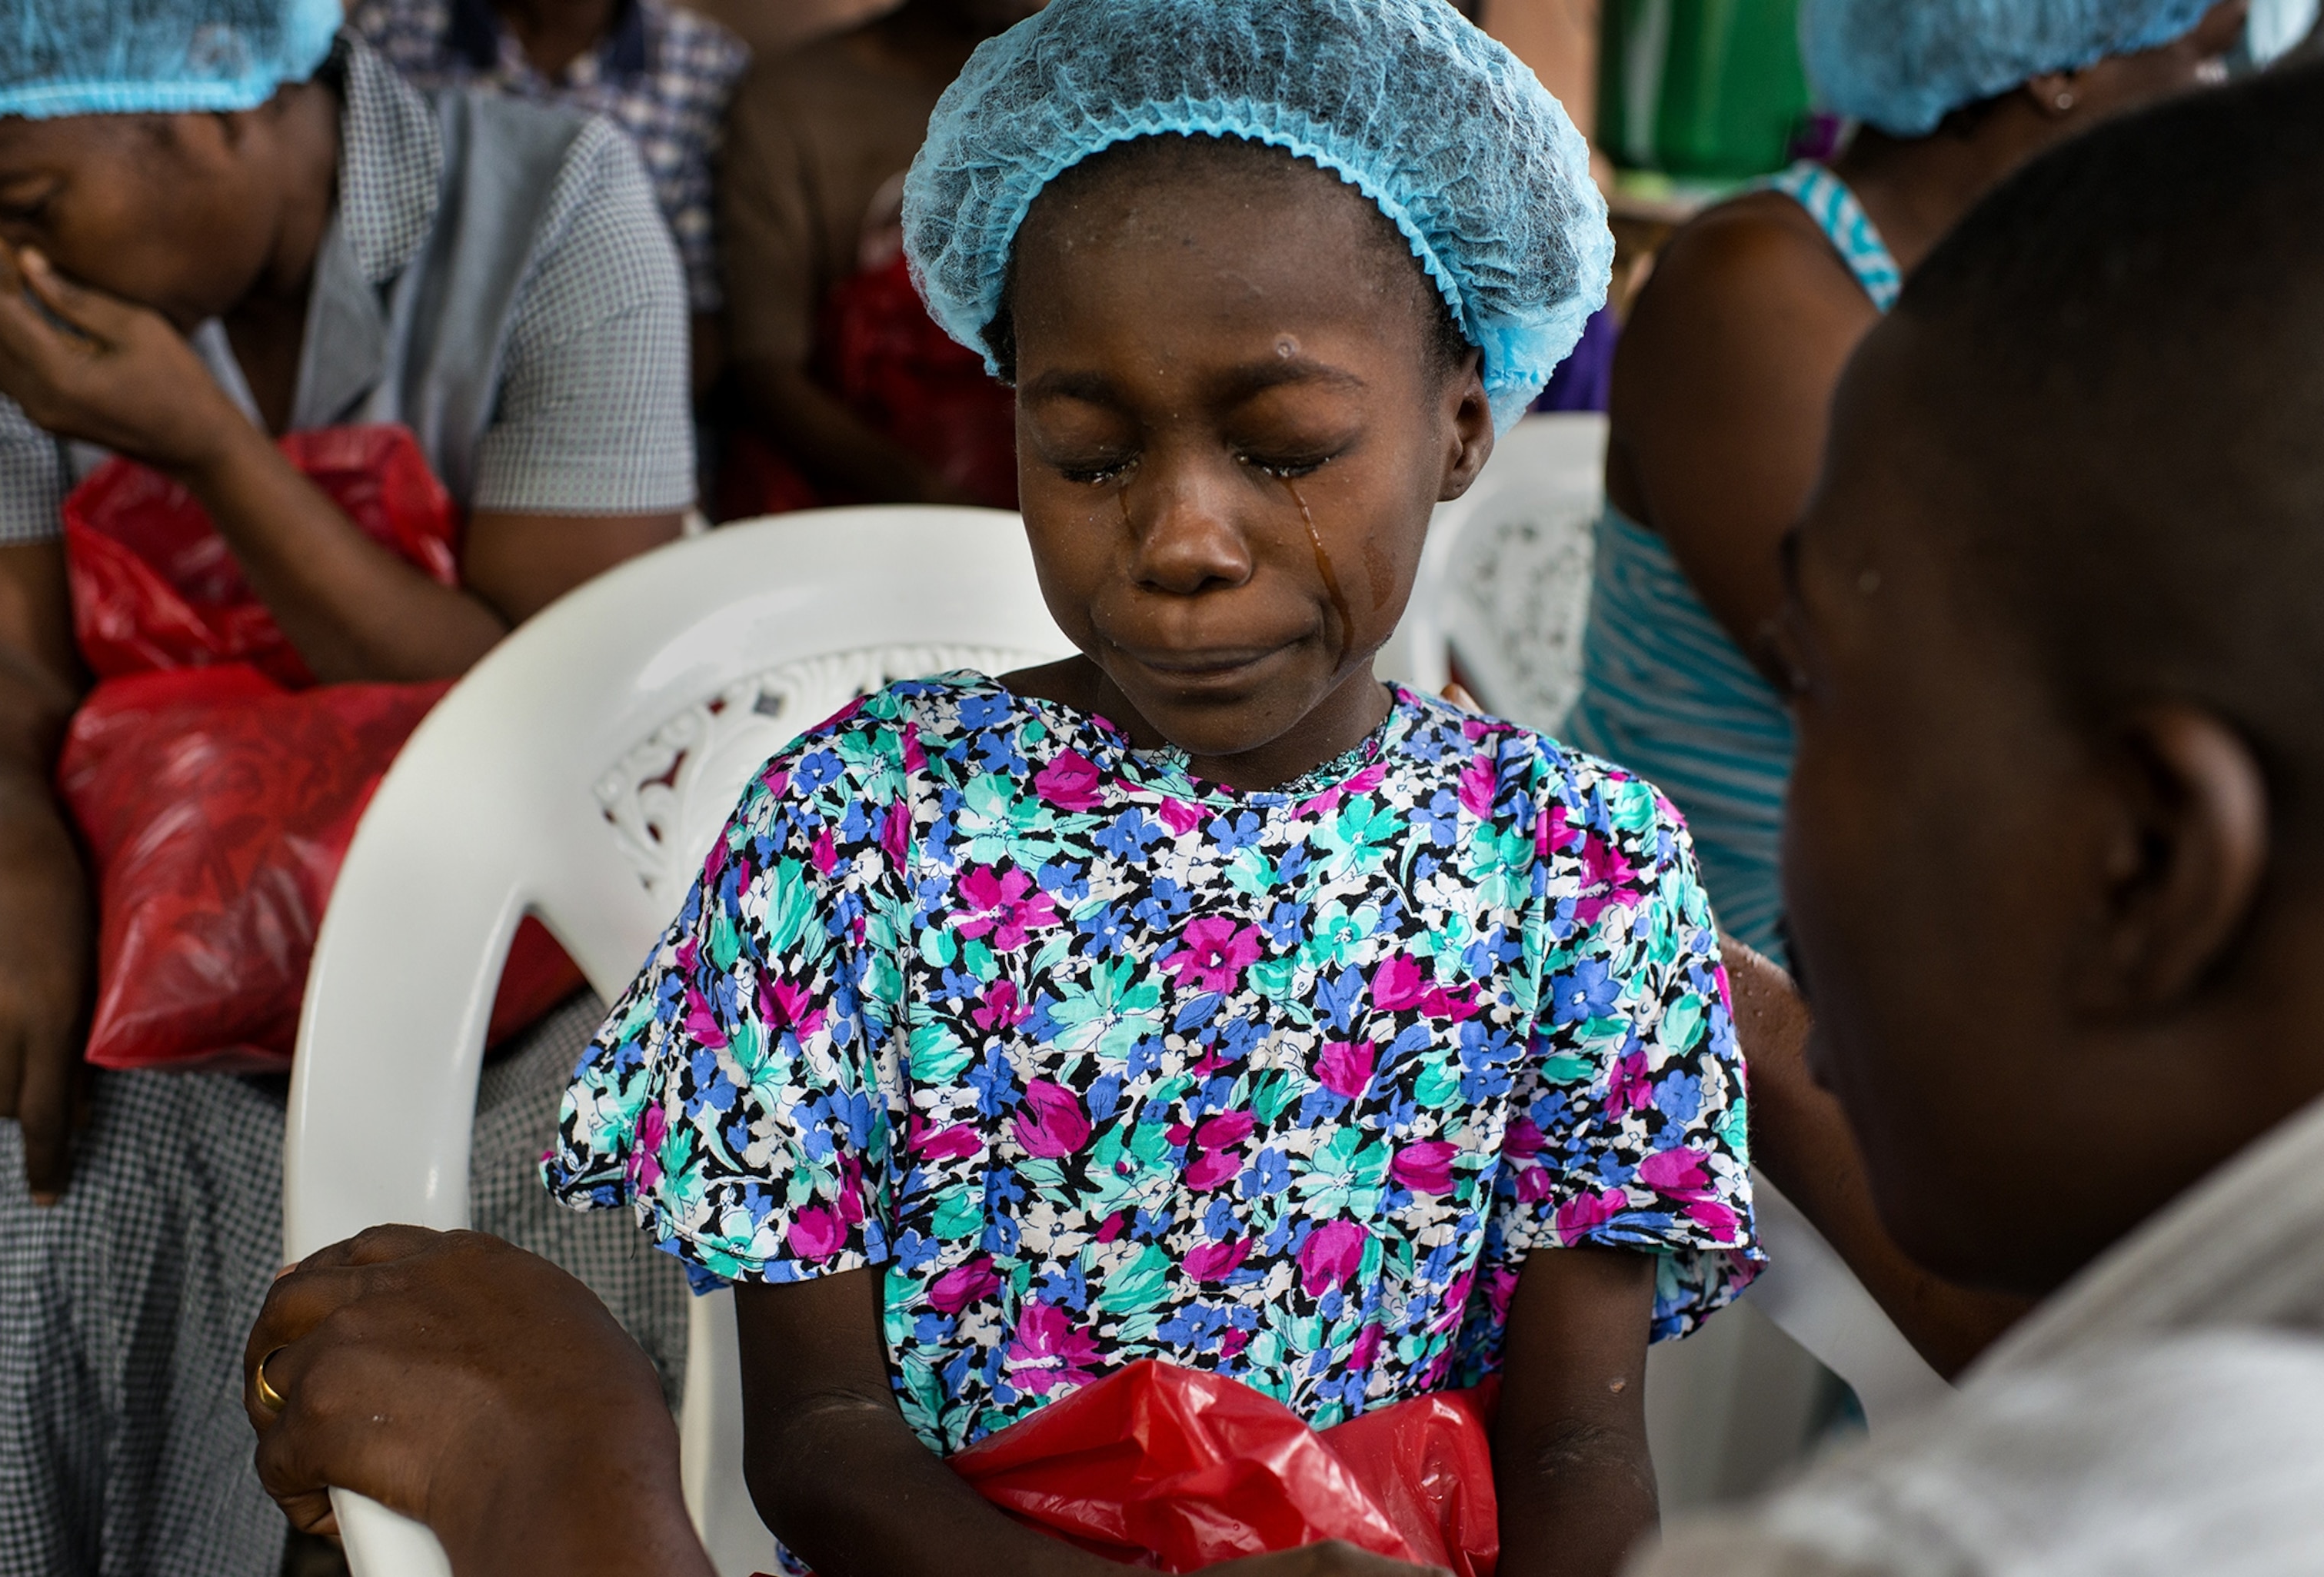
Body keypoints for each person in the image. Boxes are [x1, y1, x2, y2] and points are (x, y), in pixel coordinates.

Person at [246, 50, 2324, 1576]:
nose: (1180, 540)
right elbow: (829, 1437)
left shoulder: (1575, 869)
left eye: (1288, 445)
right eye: (1083, 453)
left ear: (1462, 425)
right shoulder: (856, 829)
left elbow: (1585, 1456)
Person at [0, 3, 697, 1572]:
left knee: (584, 1141)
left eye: (24, 202)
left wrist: (211, 451)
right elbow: (2, 661)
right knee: (63, 1135)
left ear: (216, 110)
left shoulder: (562, 201)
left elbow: (553, 705)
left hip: (527, 927)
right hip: (166, 939)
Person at [1566, 0, 2263, 1379]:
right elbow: (1979, 728)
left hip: (1948, 886)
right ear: (2056, 63)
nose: (2211, 100)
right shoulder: (1753, 283)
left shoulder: (2057, 297)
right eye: (2199, 55)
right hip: (1733, 934)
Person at [713, 0, 1045, 514]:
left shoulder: (1082, 87)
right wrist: (933, 497)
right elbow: (766, 371)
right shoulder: (795, 105)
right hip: (870, 506)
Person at [346, 0, 749, 395]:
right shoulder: (393, 33)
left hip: (603, 405)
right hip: (407, 391)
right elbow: (345, 271)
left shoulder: (704, 67)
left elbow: (701, 334)